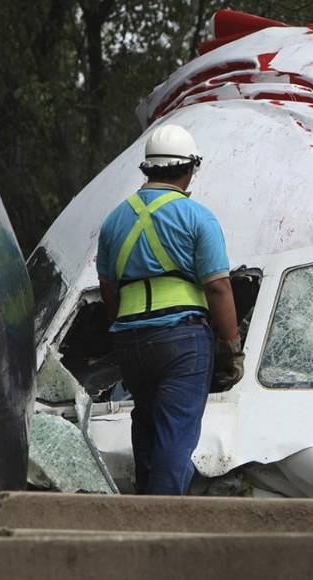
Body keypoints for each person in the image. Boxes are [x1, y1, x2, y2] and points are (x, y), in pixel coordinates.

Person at [96, 124, 244, 495]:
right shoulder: (197, 217)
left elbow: (107, 288)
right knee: (175, 439)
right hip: (181, 341)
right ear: (189, 168)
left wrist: (124, 330)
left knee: (146, 429)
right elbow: (217, 285)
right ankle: (162, 530)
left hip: (130, 340)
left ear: (147, 168)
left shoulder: (113, 221)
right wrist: (231, 345)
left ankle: (141, 523)